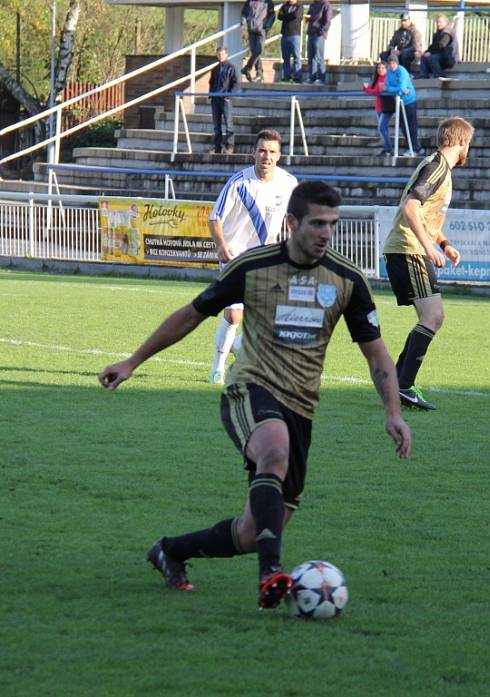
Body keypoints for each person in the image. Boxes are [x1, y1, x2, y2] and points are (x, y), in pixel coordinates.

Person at [98, 181, 412, 610]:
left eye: (332, 225)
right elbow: (192, 314)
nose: (325, 233)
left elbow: (377, 356)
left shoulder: (346, 280)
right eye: (317, 224)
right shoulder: (254, 266)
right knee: (274, 448)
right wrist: (132, 362)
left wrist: (393, 412)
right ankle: (271, 574)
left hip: (302, 406)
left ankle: (170, 550)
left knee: (252, 532)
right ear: (293, 222)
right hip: (249, 389)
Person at [383, 117, 474, 411]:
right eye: (468, 144)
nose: (468, 150)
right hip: (409, 249)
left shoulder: (438, 167)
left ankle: (398, 384)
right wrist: (427, 245)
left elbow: (424, 214)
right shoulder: (437, 168)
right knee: (433, 316)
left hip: (408, 248)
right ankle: (403, 385)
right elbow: (411, 206)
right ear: (460, 142)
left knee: (431, 316)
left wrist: (444, 244)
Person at [207, 129, 298, 384]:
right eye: (261, 150)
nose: (266, 156)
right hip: (234, 254)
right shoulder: (239, 183)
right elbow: (215, 218)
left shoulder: (289, 183)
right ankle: (217, 367)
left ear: (279, 156)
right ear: (253, 153)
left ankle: (238, 348)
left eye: (271, 152)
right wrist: (221, 245)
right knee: (235, 315)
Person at [384, 54, 422, 157]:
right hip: (398, 101)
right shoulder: (388, 72)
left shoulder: (402, 71)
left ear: (396, 63)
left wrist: (395, 89)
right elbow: (387, 87)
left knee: (411, 125)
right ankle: (414, 146)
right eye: (390, 63)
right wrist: (395, 90)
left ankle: (415, 148)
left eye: (393, 63)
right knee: (403, 126)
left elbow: (402, 87)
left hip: (409, 101)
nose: (391, 65)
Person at [208, 47, 239, 155]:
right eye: (219, 54)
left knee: (228, 123)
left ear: (226, 55)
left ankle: (230, 146)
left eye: (222, 54)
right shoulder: (215, 69)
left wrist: (229, 95)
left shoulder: (231, 68)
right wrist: (211, 94)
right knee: (217, 125)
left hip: (225, 99)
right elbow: (211, 82)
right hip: (215, 99)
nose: (220, 56)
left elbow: (235, 83)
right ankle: (217, 147)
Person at [363, 61, 394, 155]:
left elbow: (376, 91)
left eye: (383, 68)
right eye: (379, 68)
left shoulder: (386, 78)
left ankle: (388, 148)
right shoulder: (378, 78)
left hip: (386, 107)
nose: (380, 70)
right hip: (379, 107)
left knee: (381, 127)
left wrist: (366, 89)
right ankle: (387, 148)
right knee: (383, 128)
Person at [241, 0, 275, 82]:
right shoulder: (249, 2)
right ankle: (259, 74)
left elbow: (272, 15)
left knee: (259, 50)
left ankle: (247, 68)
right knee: (254, 52)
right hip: (251, 30)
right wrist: (244, 26)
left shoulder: (268, 2)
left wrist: (266, 26)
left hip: (261, 30)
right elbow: (244, 14)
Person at [419, 15, 460, 80]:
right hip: (441, 56)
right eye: (437, 22)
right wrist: (427, 52)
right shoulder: (439, 33)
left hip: (449, 58)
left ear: (446, 22)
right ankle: (423, 76)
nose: (438, 24)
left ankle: (439, 75)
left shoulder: (447, 32)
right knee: (424, 57)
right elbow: (433, 46)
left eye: (440, 22)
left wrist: (430, 53)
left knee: (431, 57)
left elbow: (442, 45)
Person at [306, 0, 333, 84]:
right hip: (311, 32)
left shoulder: (326, 5)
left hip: (319, 34)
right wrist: (309, 19)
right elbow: (309, 16)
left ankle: (321, 78)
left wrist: (320, 31)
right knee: (311, 56)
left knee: (318, 56)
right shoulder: (313, 5)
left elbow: (327, 21)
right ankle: (312, 78)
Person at [278, 0, 303, 83]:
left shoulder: (299, 6)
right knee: (286, 57)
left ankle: (297, 77)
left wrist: (286, 16)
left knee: (296, 56)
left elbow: (296, 15)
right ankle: (286, 76)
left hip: (295, 34)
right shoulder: (284, 6)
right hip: (285, 35)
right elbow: (280, 16)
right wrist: (289, 16)